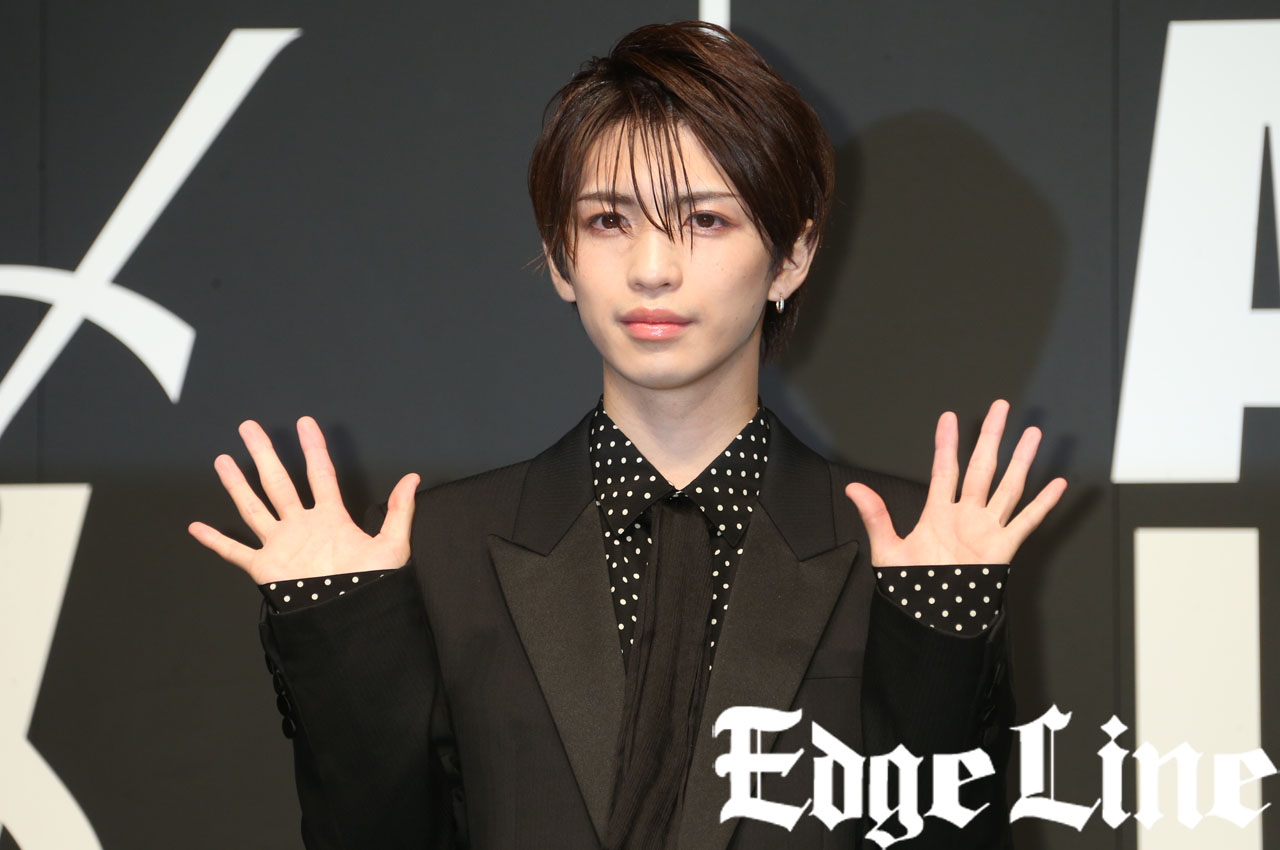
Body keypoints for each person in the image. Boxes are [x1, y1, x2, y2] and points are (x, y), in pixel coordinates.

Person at [188, 20, 1064, 850]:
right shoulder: (443, 550)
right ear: (560, 255)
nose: (652, 269)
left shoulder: (906, 557)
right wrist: (342, 632)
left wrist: (941, 638)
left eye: (706, 220)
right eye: (609, 221)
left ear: (791, 258)